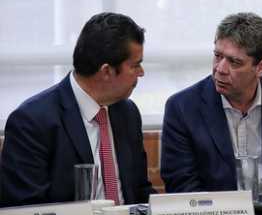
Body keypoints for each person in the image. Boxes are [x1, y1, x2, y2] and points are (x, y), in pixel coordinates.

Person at [0, 13, 155, 207]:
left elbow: (140, 192)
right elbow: (26, 207)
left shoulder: (128, 113)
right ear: (106, 71)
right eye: (135, 65)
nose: (142, 72)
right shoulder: (32, 122)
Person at [161, 12, 262, 194]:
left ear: (261, 67)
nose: (220, 69)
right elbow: (183, 189)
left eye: (234, 62)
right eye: (218, 56)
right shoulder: (182, 108)